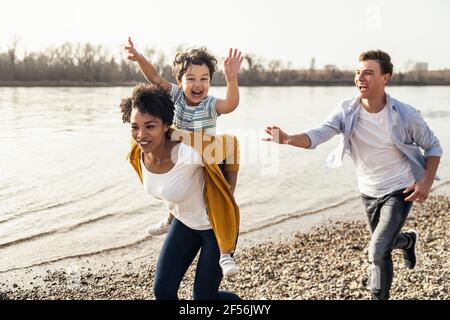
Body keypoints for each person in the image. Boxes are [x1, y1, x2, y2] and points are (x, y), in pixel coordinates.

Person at [263, 50, 442, 300]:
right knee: (384, 244)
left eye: (369, 73)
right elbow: (319, 134)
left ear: (385, 78)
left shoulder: (405, 114)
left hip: (400, 189)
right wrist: (289, 139)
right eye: (358, 73)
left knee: (377, 251)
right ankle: (408, 241)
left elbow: (433, 147)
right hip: (368, 191)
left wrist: (425, 182)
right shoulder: (347, 111)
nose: (361, 78)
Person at [125, 38, 243, 276]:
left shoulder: (210, 104)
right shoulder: (177, 96)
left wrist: (231, 77)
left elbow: (230, 104)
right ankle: (170, 219)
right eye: (190, 79)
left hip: (207, 156)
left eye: (204, 79)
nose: (197, 85)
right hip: (184, 150)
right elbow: (155, 78)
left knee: (214, 204)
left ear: (210, 81)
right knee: (175, 185)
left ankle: (224, 253)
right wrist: (139, 58)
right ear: (180, 81)